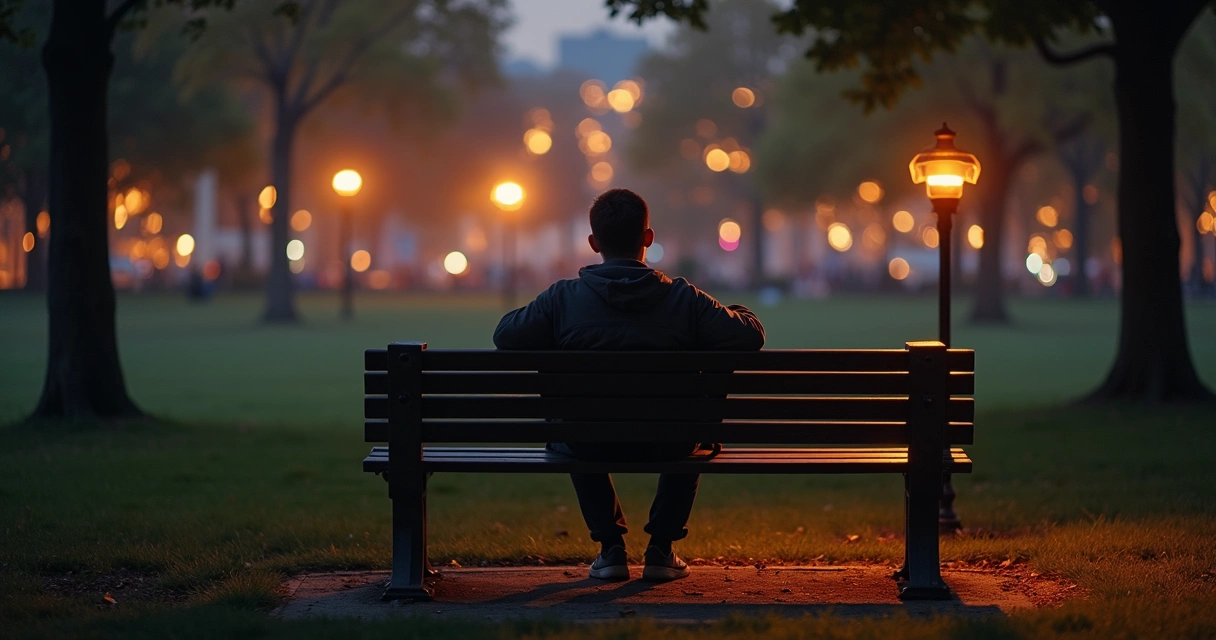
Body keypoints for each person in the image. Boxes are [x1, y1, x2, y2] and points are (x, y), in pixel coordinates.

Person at [493, 188, 765, 582]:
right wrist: (740, 310)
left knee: (573, 426)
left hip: (588, 442)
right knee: (695, 428)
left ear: (593, 243)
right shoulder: (684, 298)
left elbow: (506, 334)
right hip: (669, 441)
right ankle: (661, 549)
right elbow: (749, 336)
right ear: (647, 238)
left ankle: (610, 550)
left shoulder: (563, 299)